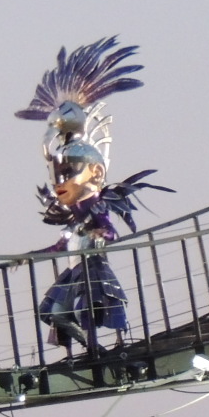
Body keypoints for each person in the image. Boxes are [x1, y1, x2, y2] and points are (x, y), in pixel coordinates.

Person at [16, 37, 170, 351]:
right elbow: (59, 246)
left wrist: (100, 233)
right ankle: (91, 348)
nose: (60, 182)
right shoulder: (74, 218)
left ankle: (104, 347)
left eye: (69, 172)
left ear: (95, 173)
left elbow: (110, 231)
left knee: (90, 307)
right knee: (53, 312)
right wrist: (28, 256)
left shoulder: (95, 207)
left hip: (92, 269)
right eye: (57, 176)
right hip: (75, 270)